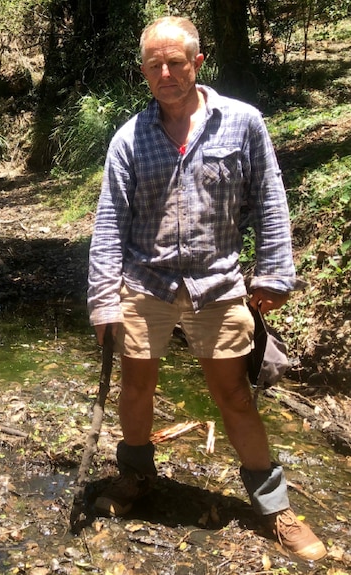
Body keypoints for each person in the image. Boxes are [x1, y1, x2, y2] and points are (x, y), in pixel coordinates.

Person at [86, 16, 326, 561]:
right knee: (135, 390)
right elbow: (108, 225)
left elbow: (269, 202)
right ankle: (136, 477)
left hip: (218, 285)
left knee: (235, 397)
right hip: (143, 284)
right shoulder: (129, 138)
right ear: (144, 71)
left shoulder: (242, 124)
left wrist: (274, 274)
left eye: (175, 62)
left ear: (197, 63)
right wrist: (103, 301)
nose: (165, 73)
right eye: (154, 65)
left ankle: (275, 508)